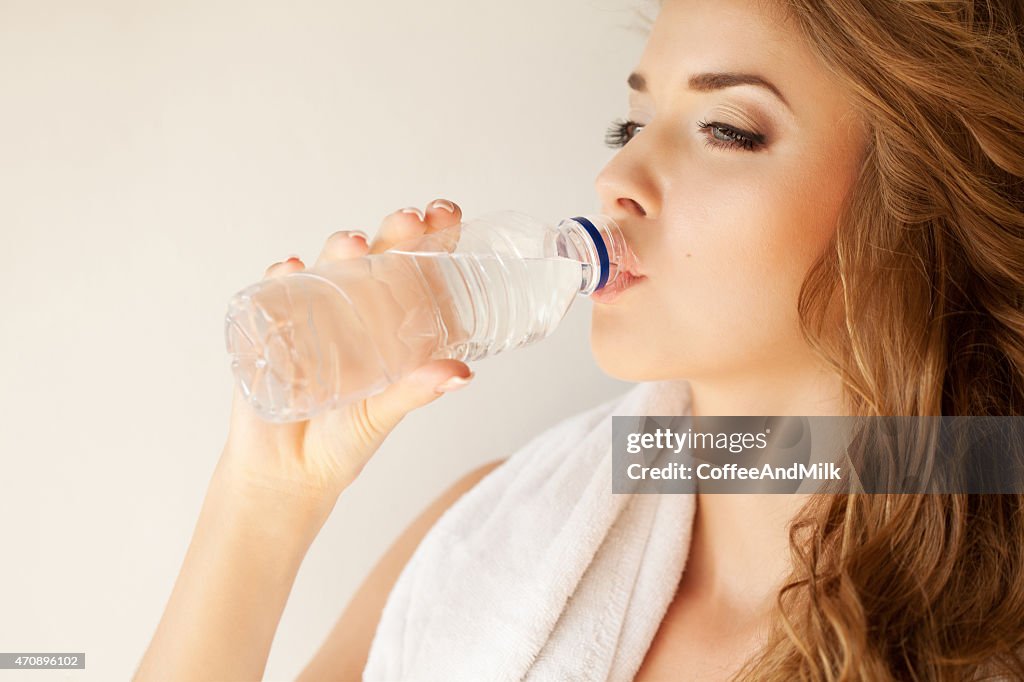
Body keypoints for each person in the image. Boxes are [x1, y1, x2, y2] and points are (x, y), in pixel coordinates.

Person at [134, 0, 1024, 678]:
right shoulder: (484, 537)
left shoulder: (993, 633)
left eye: (726, 129)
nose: (617, 175)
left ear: (910, 214)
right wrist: (263, 501)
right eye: (629, 124)